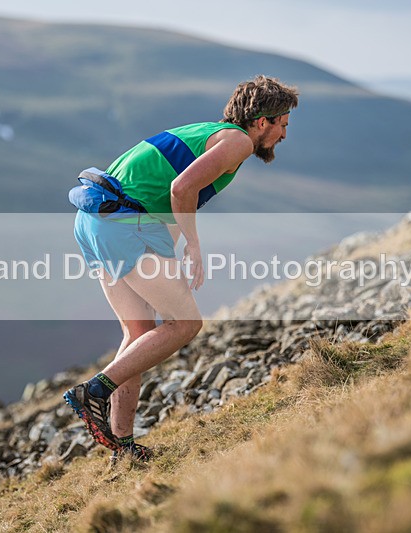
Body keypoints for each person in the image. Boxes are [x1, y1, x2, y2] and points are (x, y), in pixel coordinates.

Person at [64, 75, 298, 462]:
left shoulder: (208, 132)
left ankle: (121, 445)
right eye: (283, 124)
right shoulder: (237, 142)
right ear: (262, 122)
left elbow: (162, 188)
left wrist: (168, 252)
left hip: (93, 220)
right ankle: (94, 391)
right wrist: (193, 244)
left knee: (139, 333)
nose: (284, 135)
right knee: (186, 324)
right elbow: (181, 190)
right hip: (123, 222)